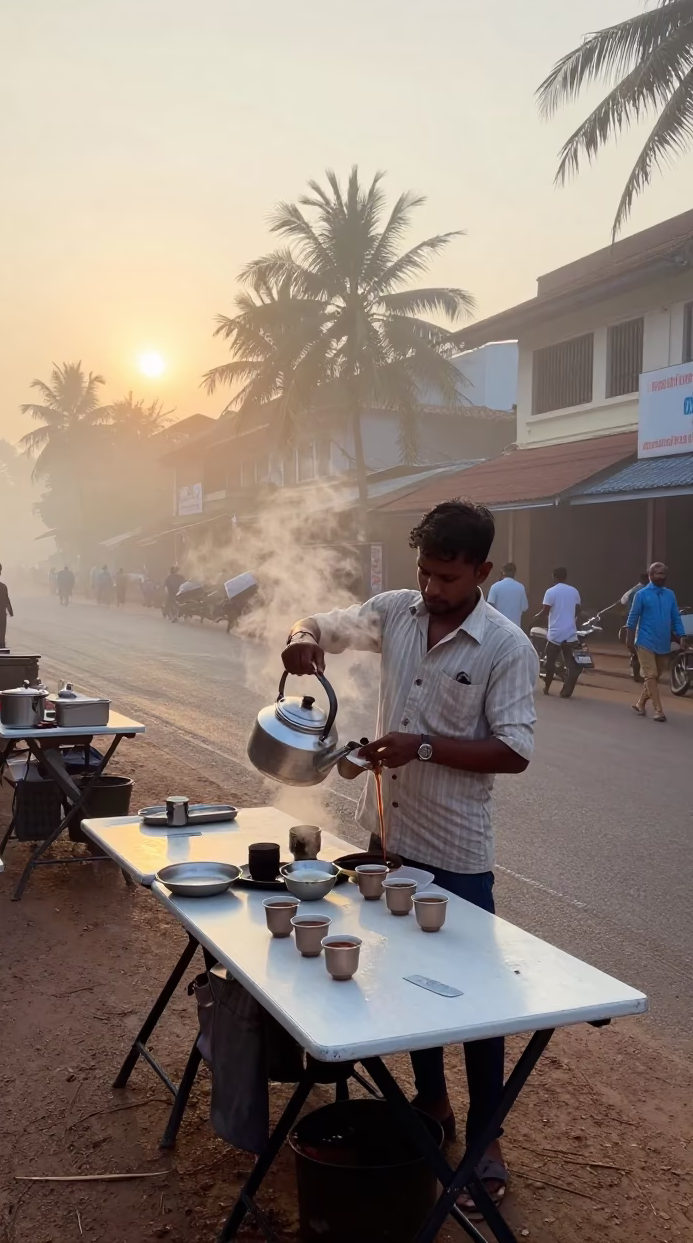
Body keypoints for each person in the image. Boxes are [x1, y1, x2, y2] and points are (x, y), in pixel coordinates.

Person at [281, 499, 538, 1213]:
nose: (431, 589)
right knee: (413, 988)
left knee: (478, 1004)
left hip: (458, 852)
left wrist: (421, 746)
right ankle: (433, 1101)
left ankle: (487, 1137)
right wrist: (302, 634)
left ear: (482, 571)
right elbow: (327, 623)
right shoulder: (396, 610)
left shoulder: (507, 647)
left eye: (448, 578)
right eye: (424, 573)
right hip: (388, 840)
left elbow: (515, 750)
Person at [627, 562, 686, 723]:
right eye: (658, 573)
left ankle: (640, 704)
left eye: (664, 573)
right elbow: (632, 618)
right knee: (651, 675)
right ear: (651, 575)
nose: (662, 576)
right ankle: (658, 710)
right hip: (645, 640)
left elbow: (675, 618)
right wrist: (629, 639)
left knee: (655, 676)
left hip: (663, 643)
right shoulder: (641, 594)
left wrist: (682, 636)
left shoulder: (670, 595)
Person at [535, 567, 581, 697]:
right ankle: (567, 687)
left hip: (555, 635)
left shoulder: (550, 592)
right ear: (565, 577)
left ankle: (547, 687)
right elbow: (578, 609)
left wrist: (535, 619)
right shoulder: (574, 591)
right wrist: (572, 619)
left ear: (553, 577)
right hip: (570, 634)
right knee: (570, 663)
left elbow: (545, 611)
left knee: (550, 662)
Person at [487, 562, 528, 628]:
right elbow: (524, 608)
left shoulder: (495, 587)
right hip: (515, 628)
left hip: (498, 627)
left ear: (503, 572)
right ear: (515, 572)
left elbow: (489, 606)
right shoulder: (521, 587)